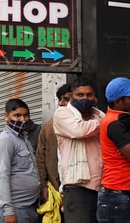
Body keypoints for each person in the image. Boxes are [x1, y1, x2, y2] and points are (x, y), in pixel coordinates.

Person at [53, 77, 104, 222]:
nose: (85, 98)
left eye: (89, 95)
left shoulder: (99, 115)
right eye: (80, 95)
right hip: (78, 187)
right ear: (72, 96)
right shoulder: (62, 114)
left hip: (102, 185)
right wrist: (103, 122)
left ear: (95, 97)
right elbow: (79, 130)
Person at [98, 77, 130, 221]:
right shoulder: (114, 123)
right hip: (117, 196)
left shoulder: (121, 118)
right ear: (118, 102)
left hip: (122, 194)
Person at [0, 98, 40, 223]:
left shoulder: (23, 138)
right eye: (17, 115)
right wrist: (8, 212)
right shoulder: (5, 141)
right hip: (15, 210)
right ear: (6, 116)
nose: (22, 119)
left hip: (28, 209)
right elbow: (2, 177)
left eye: (25, 115)